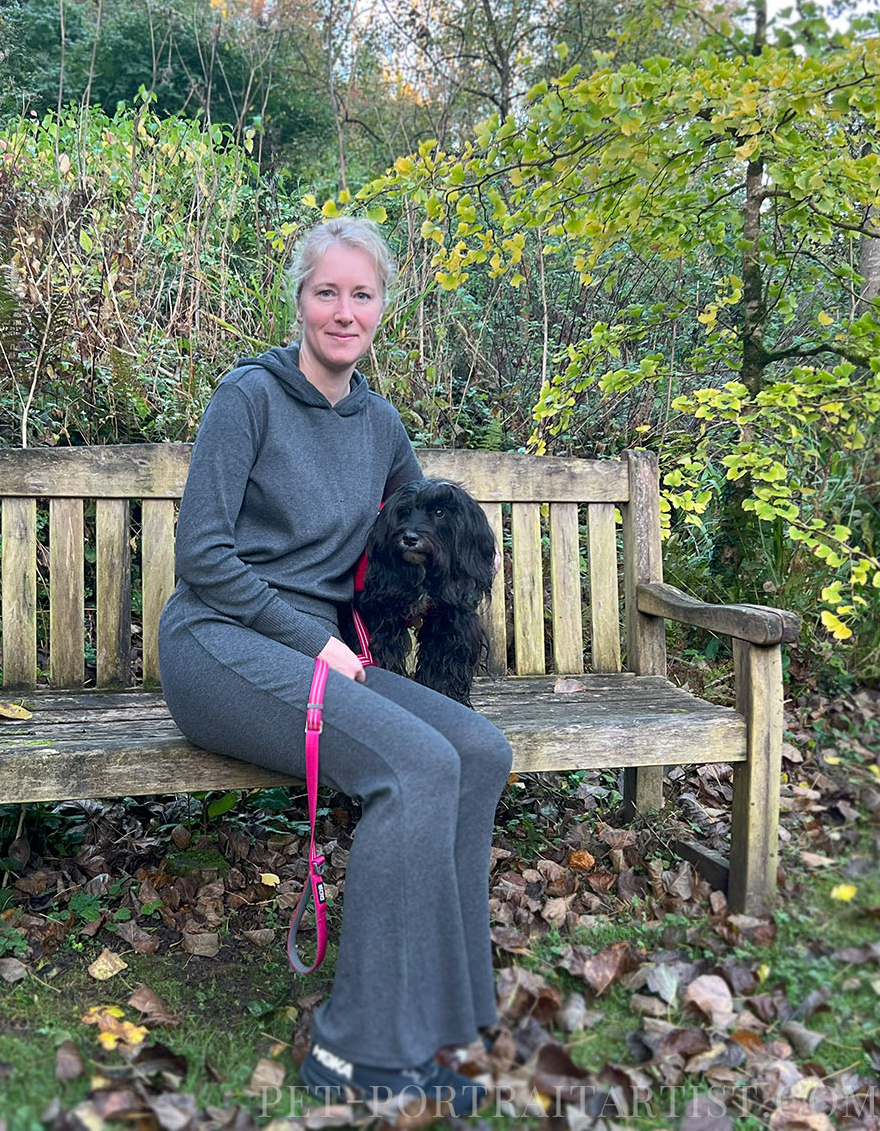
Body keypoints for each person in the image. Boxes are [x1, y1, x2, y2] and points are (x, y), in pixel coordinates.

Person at [156, 216, 514, 1115]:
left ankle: (451, 1017)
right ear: (301, 301)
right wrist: (314, 637)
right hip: (221, 646)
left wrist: (440, 601)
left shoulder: (380, 422)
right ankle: (357, 1048)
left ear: (383, 307)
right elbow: (202, 554)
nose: (343, 311)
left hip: (329, 654)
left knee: (478, 751)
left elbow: (419, 531)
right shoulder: (248, 397)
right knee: (416, 764)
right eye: (327, 292)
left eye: (362, 294)